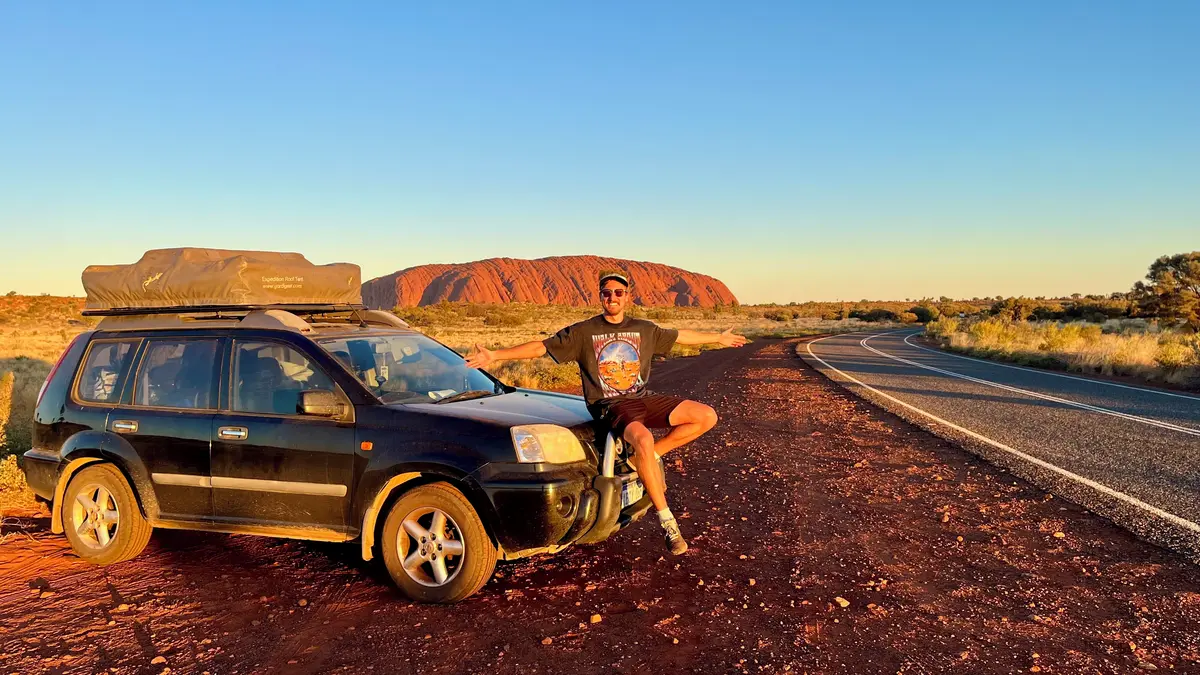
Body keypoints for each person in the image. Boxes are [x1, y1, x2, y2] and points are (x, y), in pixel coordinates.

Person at [465, 271, 749, 554]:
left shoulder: (643, 328)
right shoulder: (583, 332)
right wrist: (495, 356)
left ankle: (646, 458)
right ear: (600, 296)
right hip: (610, 404)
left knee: (705, 416)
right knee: (643, 437)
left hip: (641, 397)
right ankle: (668, 522)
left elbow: (678, 336)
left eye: (618, 292)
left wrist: (717, 338)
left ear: (628, 296)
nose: (612, 297)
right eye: (606, 292)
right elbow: (542, 347)